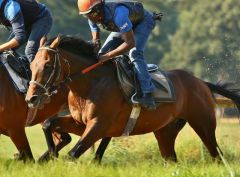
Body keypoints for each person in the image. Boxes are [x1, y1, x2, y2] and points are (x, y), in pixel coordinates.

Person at [77, 0, 158, 110]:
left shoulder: (119, 14)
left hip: (142, 22)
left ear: (99, 9)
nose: (90, 18)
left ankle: (148, 94)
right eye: (87, 15)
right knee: (101, 54)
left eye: (91, 14)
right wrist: (97, 52)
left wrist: (108, 55)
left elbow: (130, 43)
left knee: (134, 54)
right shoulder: (92, 18)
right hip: (123, 27)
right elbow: (96, 41)